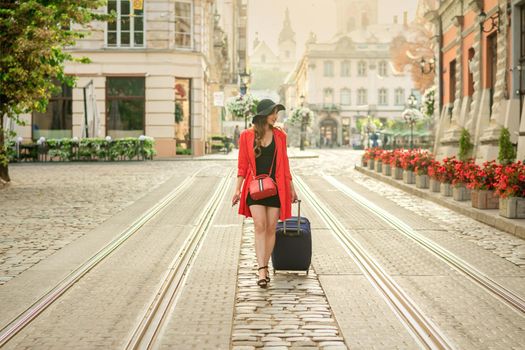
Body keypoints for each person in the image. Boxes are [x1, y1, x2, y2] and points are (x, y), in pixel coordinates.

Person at [232, 99, 298, 288]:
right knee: (260, 226)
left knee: (271, 228)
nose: (276, 117)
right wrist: (237, 189)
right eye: (273, 113)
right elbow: (242, 165)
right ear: (263, 115)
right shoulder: (246, 136)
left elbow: (284, 164)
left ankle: (266, 265)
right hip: (254, 188)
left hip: (276, 188)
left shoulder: (280, 136)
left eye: (277, 113)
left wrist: (292, 188)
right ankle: (262, 269)